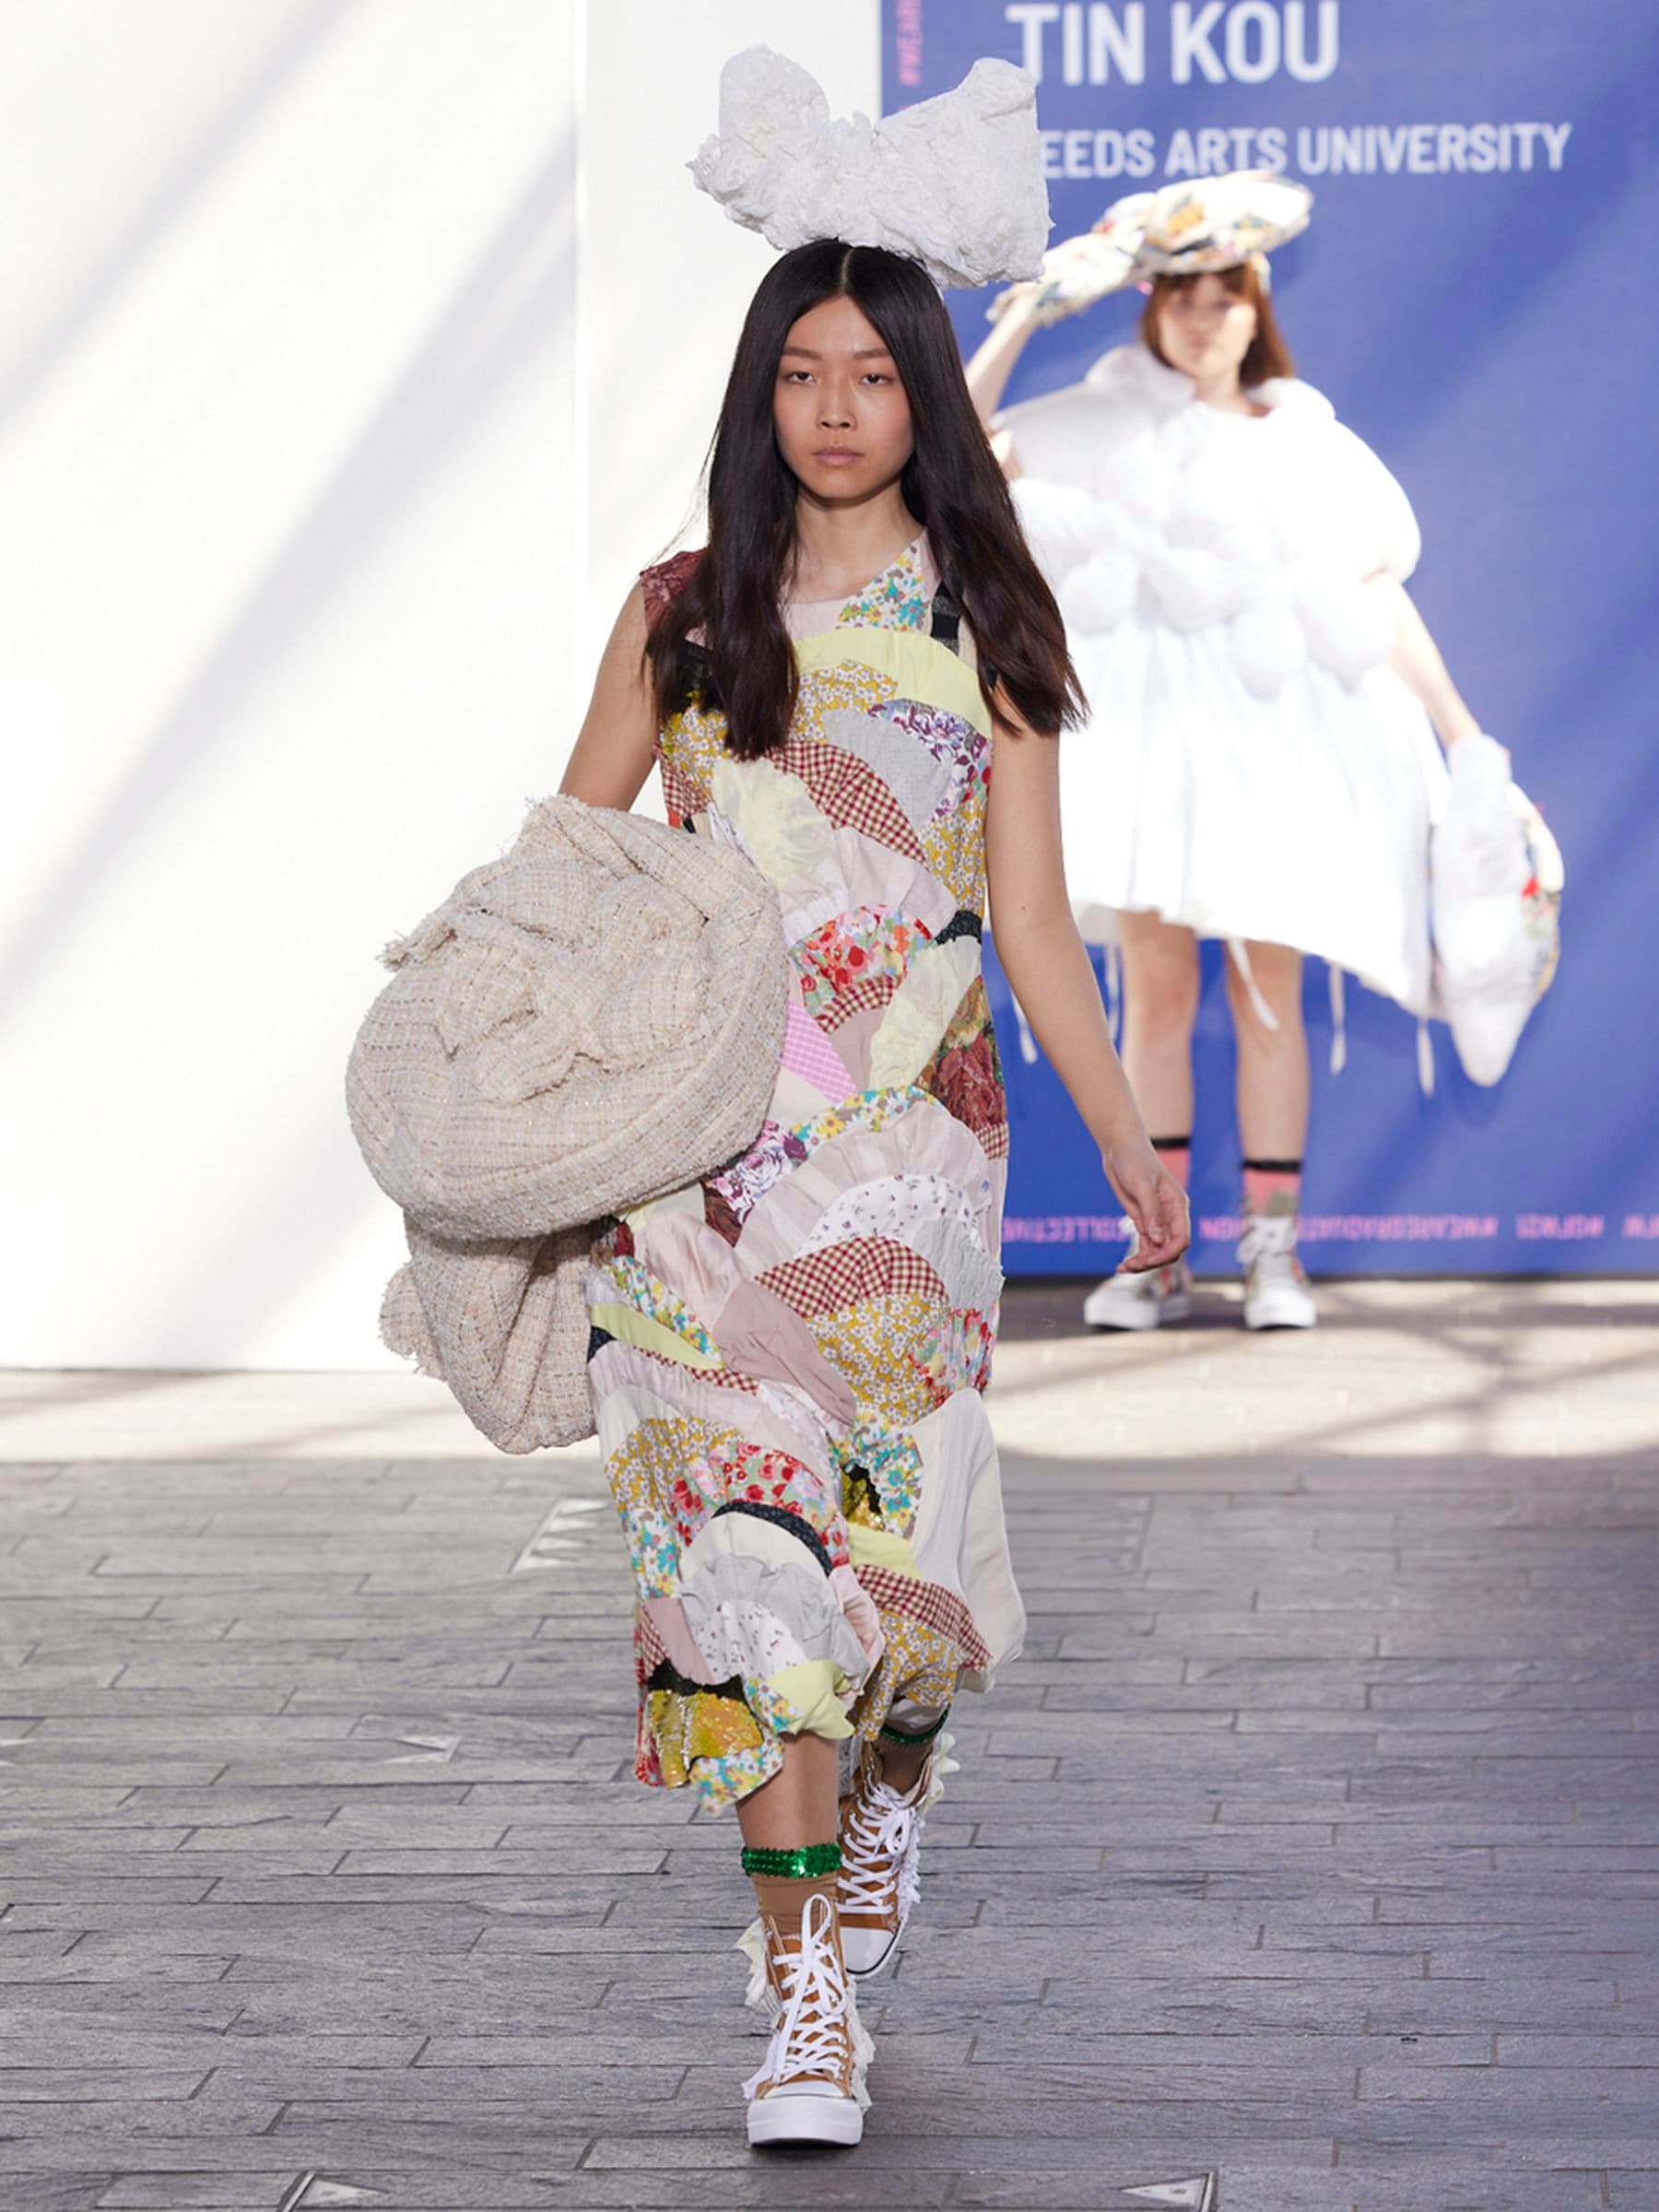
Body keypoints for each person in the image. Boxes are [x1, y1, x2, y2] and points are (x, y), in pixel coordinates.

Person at [556, 49, 1188, 2153]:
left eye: (869, 372)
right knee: (739, 1564)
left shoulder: (982, 629)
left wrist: (1124, 1130)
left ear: (926, 389)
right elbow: (574, 872)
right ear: (764, 398)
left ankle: (882, 1812)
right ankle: (803, 1984)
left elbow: (1026, 921)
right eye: (799, 372)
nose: (833, 406)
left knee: (891, 1601)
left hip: (911, 1170)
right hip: (690, 1183)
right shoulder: (680, 616)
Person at [966, 173, 1486, 1332]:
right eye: (1183, 292)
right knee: (1153, 993)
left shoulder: (1311, 443)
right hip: (1152, 767)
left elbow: (1376, 596)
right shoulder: (1090, 425)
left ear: (1259, 307)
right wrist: (1026, 314)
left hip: (1274, 754)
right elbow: (953, 450)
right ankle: (1155, 1253)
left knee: (1267, 993)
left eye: (1228, 294)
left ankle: (1272, 1254)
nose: (1206, 317)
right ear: (1149, 305)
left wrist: (1466, 742)